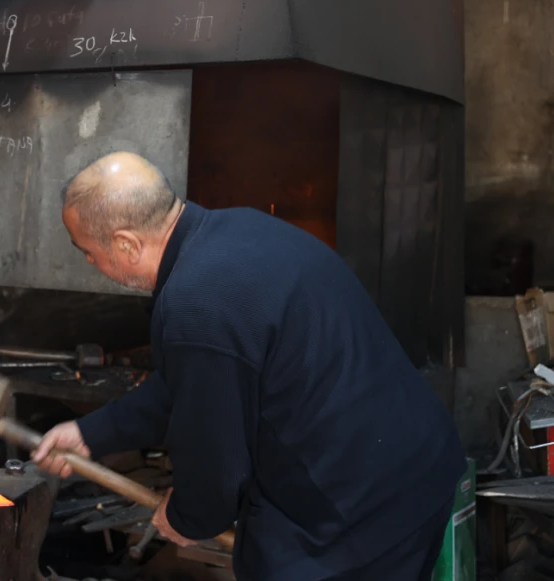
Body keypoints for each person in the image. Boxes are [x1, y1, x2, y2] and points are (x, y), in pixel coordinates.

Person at [33, 152, 466, 580]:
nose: (90, 263)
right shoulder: (235, 228)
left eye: (87, 251)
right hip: (412, 460)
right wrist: (93, 433)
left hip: (363, 510)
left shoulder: (195, 304)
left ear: (126, 243)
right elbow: (191, 387)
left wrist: (187, 516)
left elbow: (219, 466)